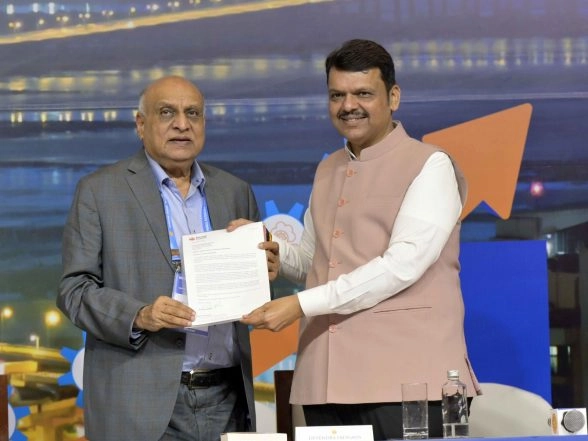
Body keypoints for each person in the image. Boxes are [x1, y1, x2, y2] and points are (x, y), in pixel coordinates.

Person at [235, 39, 481, 440]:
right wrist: (275, 253)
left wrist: (299, 305)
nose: (349, 105)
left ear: (393, 97)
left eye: (363, 93)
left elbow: (402, 265)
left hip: (409, 379)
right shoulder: (328, 168)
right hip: (327, 378)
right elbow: (316, 261)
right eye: (337, 95)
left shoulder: (430, 164)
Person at [57, 75, 278, 441]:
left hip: (228, 400)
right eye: (166, 113)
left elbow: (254, 296)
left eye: (193, 113)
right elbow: (74, 291)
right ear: (140, 125)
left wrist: (265, 269)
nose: (181, 124)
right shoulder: (99, 191)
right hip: (139, 402)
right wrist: (140, 315)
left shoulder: (235, 191)